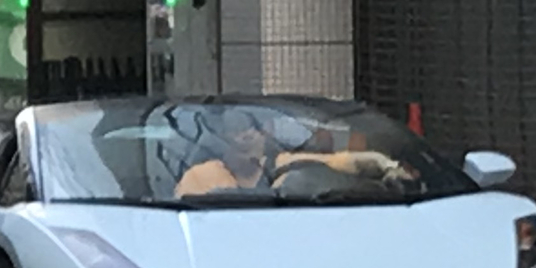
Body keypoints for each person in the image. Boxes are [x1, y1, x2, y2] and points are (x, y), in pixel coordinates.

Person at [172, 106, 403, 198]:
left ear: (265, 134)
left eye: (253, 129)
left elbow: (340, 161)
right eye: (235, 131)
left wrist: (386, 166)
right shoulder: (200, 176)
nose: (245, 136)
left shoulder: (284, 166)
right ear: (221, 139)